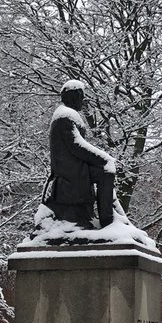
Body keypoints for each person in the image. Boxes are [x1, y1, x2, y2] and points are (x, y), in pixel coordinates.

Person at [42, 80, 117, 227]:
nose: (82, 101)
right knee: (106, 172)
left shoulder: (67, 115)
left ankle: (116, 219)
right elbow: (77, 146)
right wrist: (104, 159)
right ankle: (108, 222)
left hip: (76, 167)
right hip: (70, 170)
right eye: (81, 98)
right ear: (73, 97)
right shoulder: (65, 116)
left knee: (107, 171)